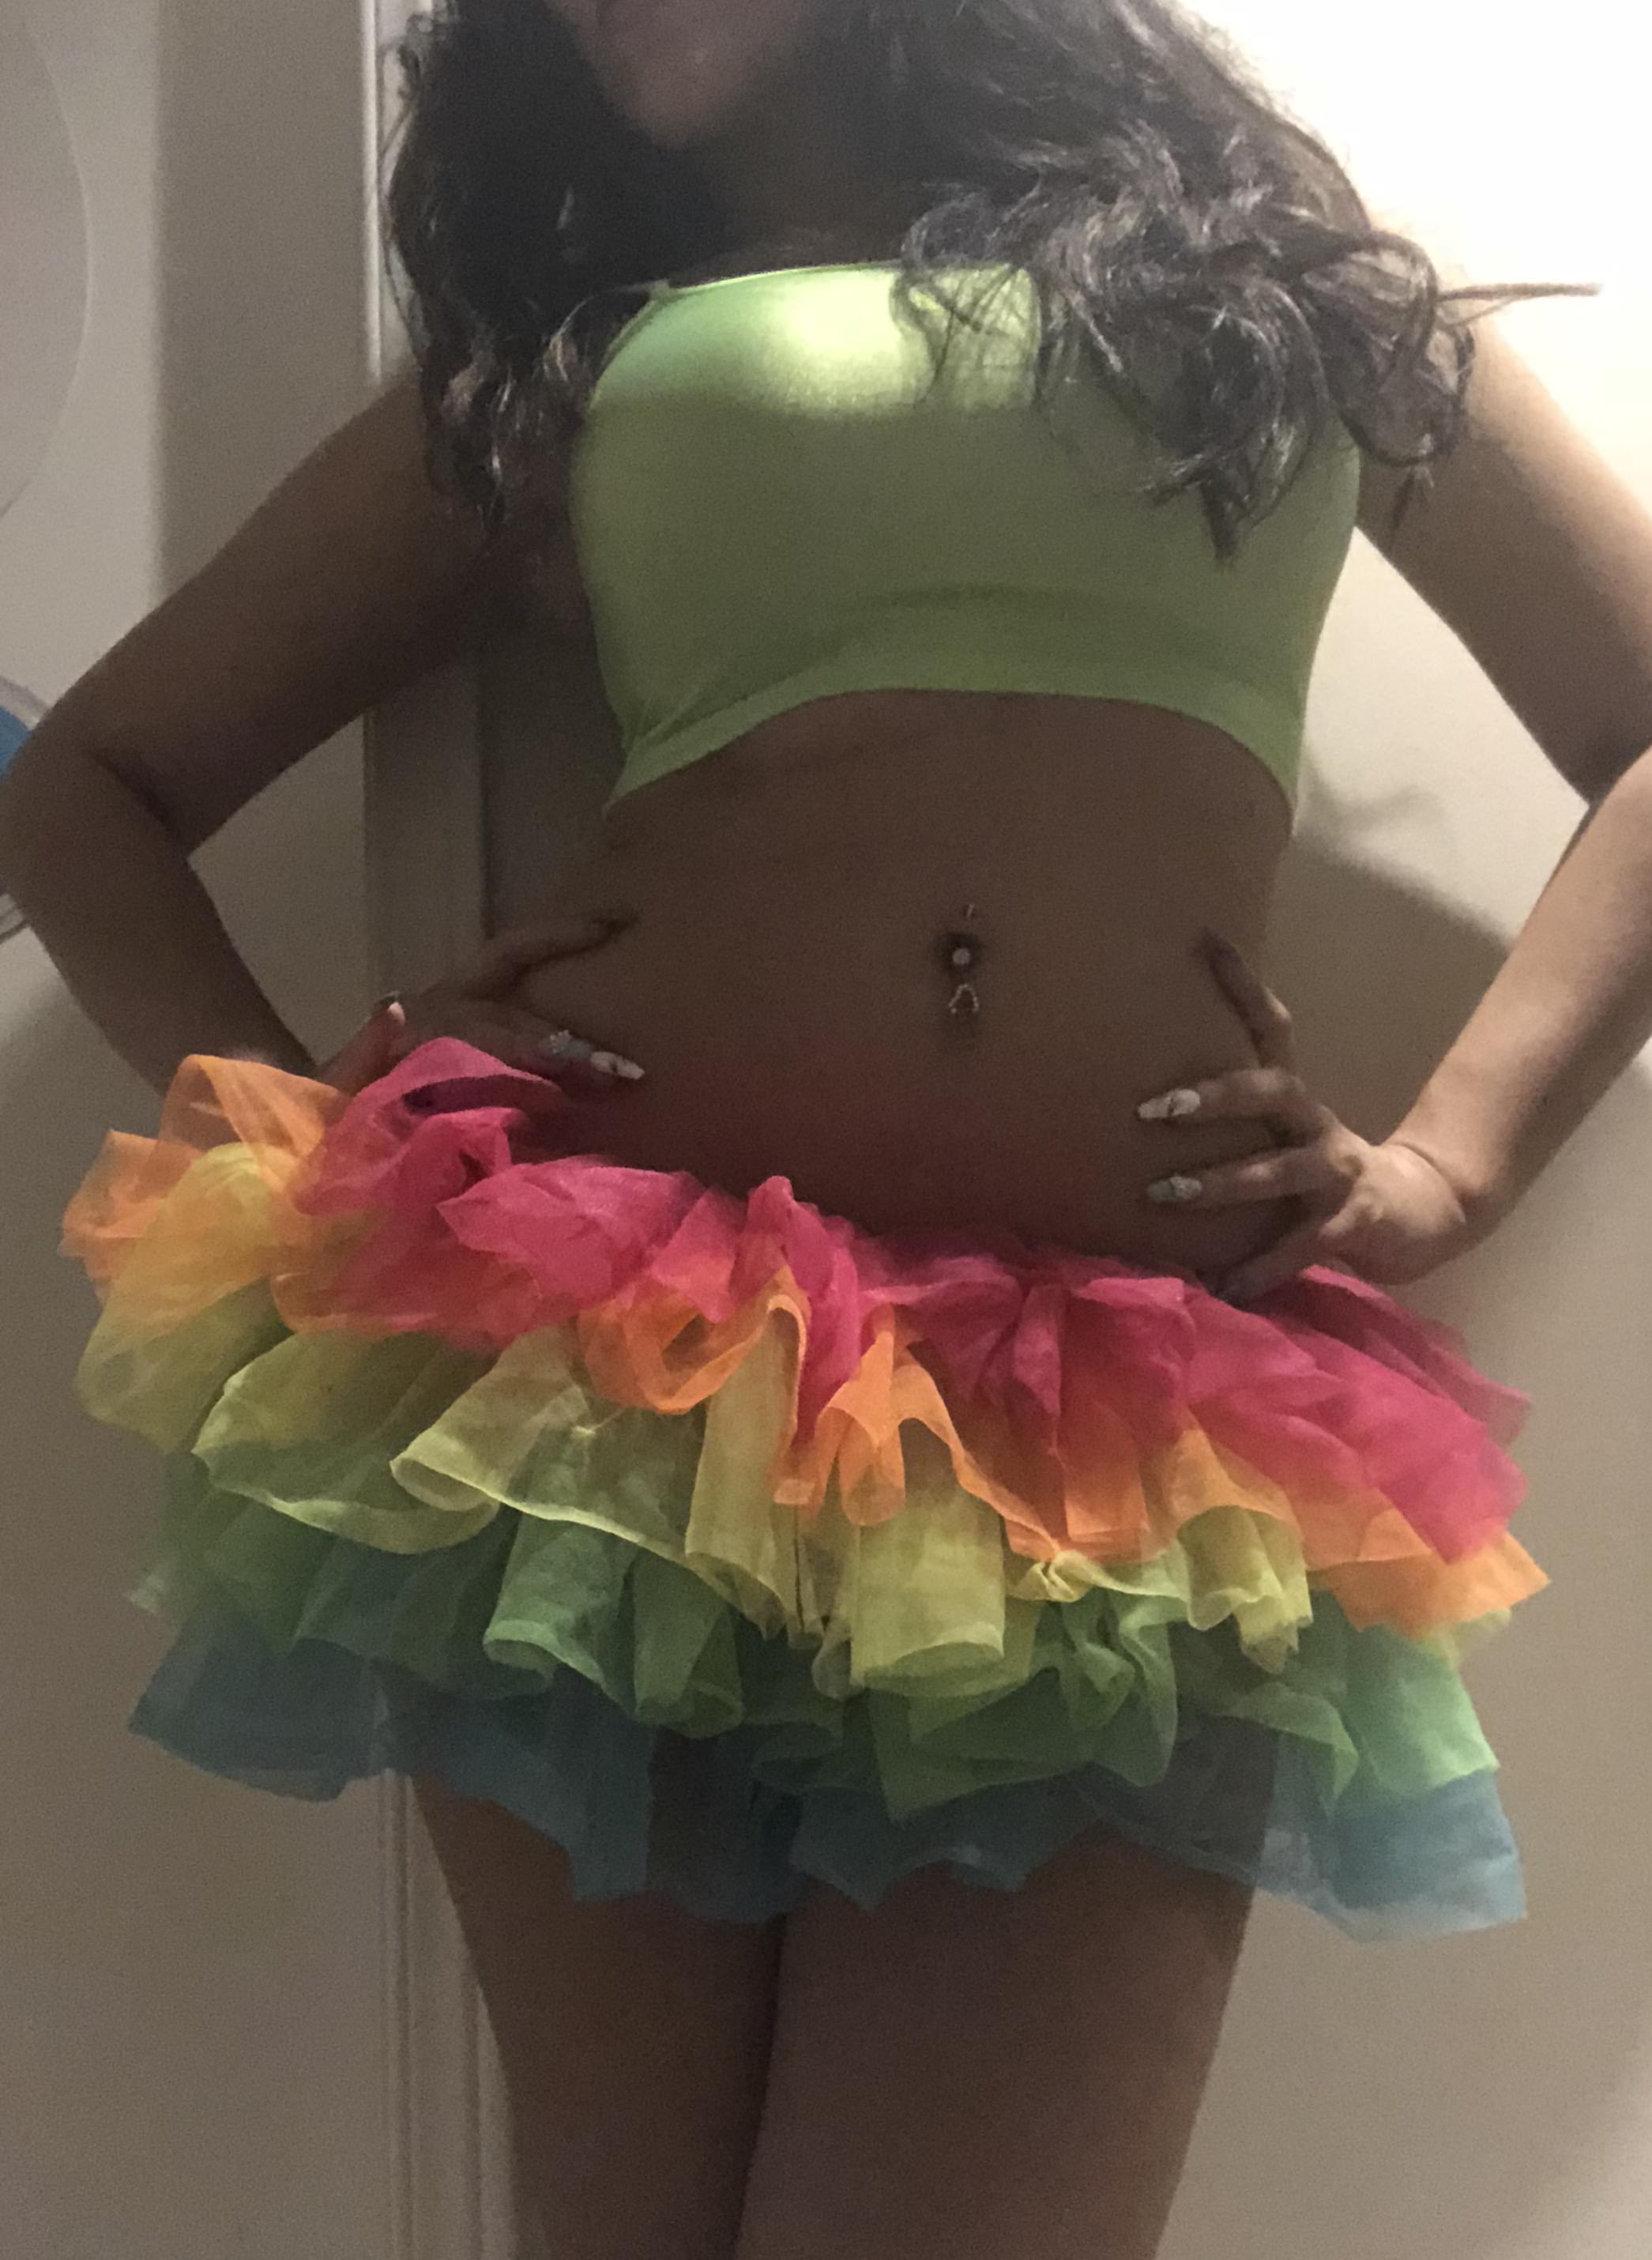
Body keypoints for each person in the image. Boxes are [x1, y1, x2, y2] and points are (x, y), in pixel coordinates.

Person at [6, 2, 1652, 2254]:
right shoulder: (574, 361)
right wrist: (312, 1125)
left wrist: (1453, 1161)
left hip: (1117, 1450)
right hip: (600, 1400)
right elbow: (85, 789)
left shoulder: (1276, 292)